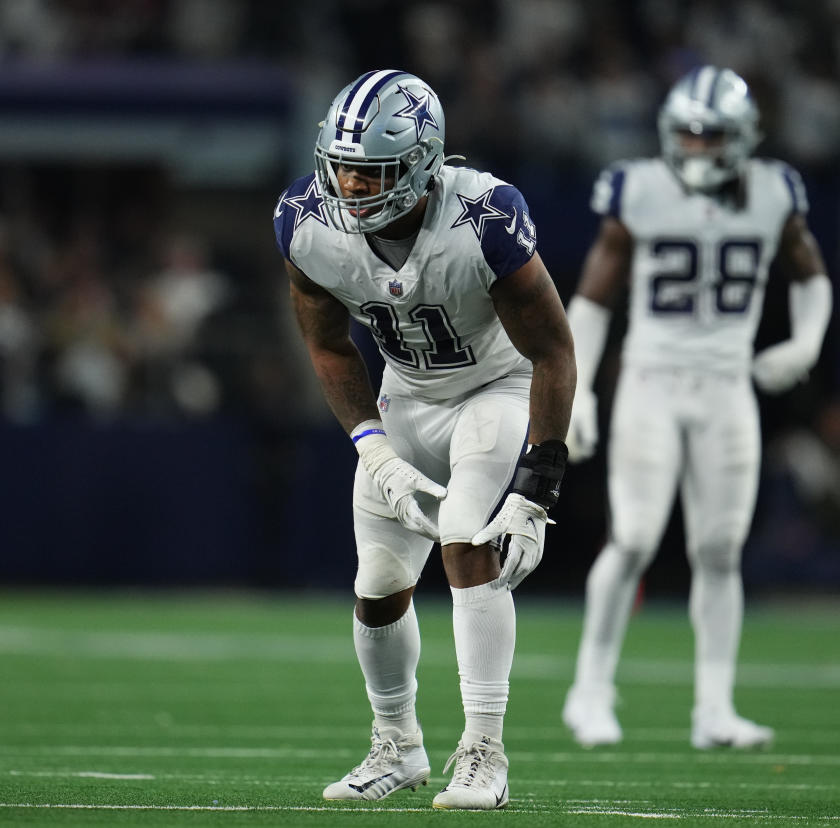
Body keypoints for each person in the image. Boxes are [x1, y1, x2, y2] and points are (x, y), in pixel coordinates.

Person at [273, 69, 574, 809]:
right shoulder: (305, 220)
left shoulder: (484, 217)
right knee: (376, 584)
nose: (348, 185)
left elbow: (553, 352)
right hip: (405, 395)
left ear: (420, 162)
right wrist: (372, 445)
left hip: (492, 389)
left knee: (466, 540)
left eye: (369, 172)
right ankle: (398, 745)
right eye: (340, 166)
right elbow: (330, 346)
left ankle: (485, 752)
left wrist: (539, 485)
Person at [560, 65, 833, 750]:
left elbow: (811, 276)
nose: (697, 148)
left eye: (711, 136)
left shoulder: (773, 192)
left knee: (719, 549)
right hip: (652, 380)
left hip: (725, 385)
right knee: (634, 538)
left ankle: (714, 709)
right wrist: (579, 388)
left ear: (741, 139)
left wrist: (804, 347)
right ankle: (589, 690)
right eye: (686, 134)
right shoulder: (642, 189)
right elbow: (593, 299)